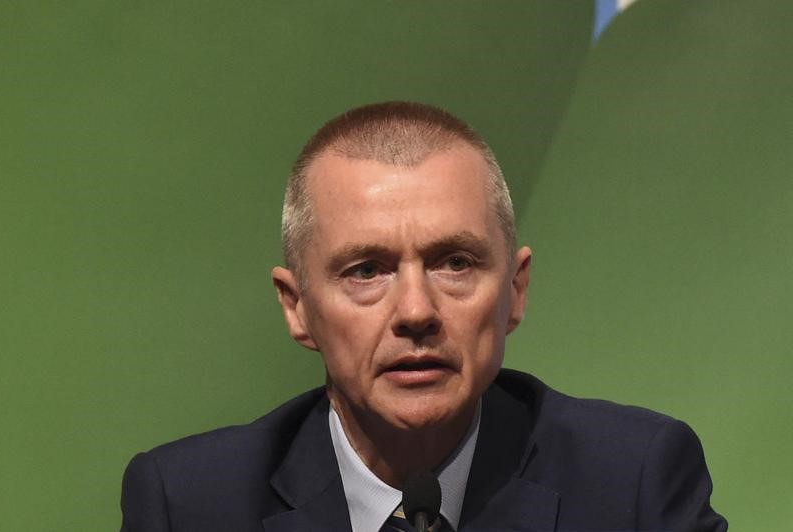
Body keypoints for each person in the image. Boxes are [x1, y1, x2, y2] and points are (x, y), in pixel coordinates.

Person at [121, 101, 727, 531]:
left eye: (454, 262)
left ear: (514, 292)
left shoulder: (634, 484)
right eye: (366, 271)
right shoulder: (189, 504)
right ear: (298, 307)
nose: (416, 311)